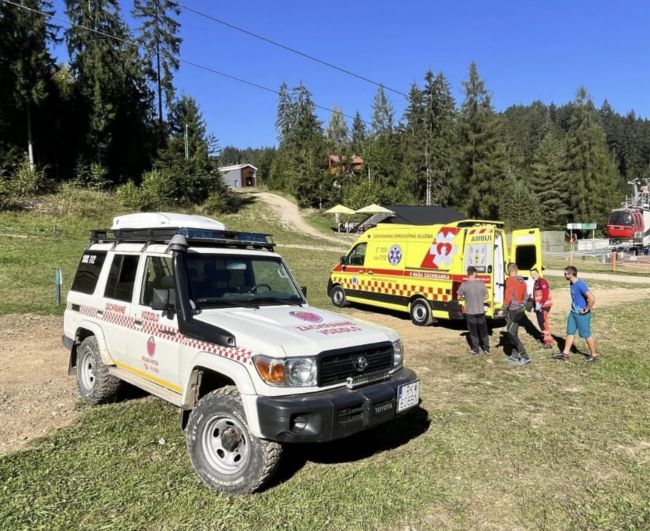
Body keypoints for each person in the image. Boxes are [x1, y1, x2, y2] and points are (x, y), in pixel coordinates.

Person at [552, 266, 598, 362]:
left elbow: (592, 298)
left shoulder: (580, 285)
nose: (564, 275)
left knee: (586, 334)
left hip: (582, 315)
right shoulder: (572, 283)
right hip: (573, 313)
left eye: (565, 273)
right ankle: (565, 354)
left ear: (570, 274)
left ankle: (593, 355)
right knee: (570, 332)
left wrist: (586, 309)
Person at [498, 263, 531, 365]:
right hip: (520, 310)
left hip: (514, 311)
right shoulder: (523, 282)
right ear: (516, 270)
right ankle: (514, 356)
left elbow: (508, 297)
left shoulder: (510, 281)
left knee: (511, 333)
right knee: (511, 332)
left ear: (508, 271)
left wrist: (503, 309)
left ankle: (525, 356)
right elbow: (526, 297)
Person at [457, 266, 489, 355]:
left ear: (468, 274)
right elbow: (487, 296)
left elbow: (458, 297)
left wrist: (464, 297)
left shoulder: (464, 285)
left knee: (473, 331)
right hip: (480, 311)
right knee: (483, 330)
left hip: (470, 312)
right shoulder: (481, 284)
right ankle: (486, 349)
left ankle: (476, 350)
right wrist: (480, 297)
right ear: (474, 274)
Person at [530, 268, 553, 349]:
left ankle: (548, 342)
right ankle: (545, 339)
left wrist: (540, 304)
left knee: (544, 323)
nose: (533, 276)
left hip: (544, 306)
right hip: (539, 306)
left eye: (534, 274)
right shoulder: (536, 283)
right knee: (541, 323)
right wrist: (533, 303)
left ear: (538, 273)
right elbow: (537, 296)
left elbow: (545, 295)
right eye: (532, 274)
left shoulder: (542, 281)